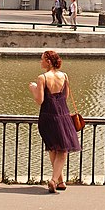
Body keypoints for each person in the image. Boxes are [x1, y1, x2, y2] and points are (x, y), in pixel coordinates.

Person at [28, 50, 81, 193]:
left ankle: (55, 180)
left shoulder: (42, 78)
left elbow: (40, 100)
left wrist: (33, 89)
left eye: (42, 59)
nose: (40, 62)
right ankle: (59, 180)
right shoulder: (64, 76)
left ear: (49, 61)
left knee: (54, 148)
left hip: (47, 117)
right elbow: (66, 96)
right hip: (62, 115)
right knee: (61, 149)